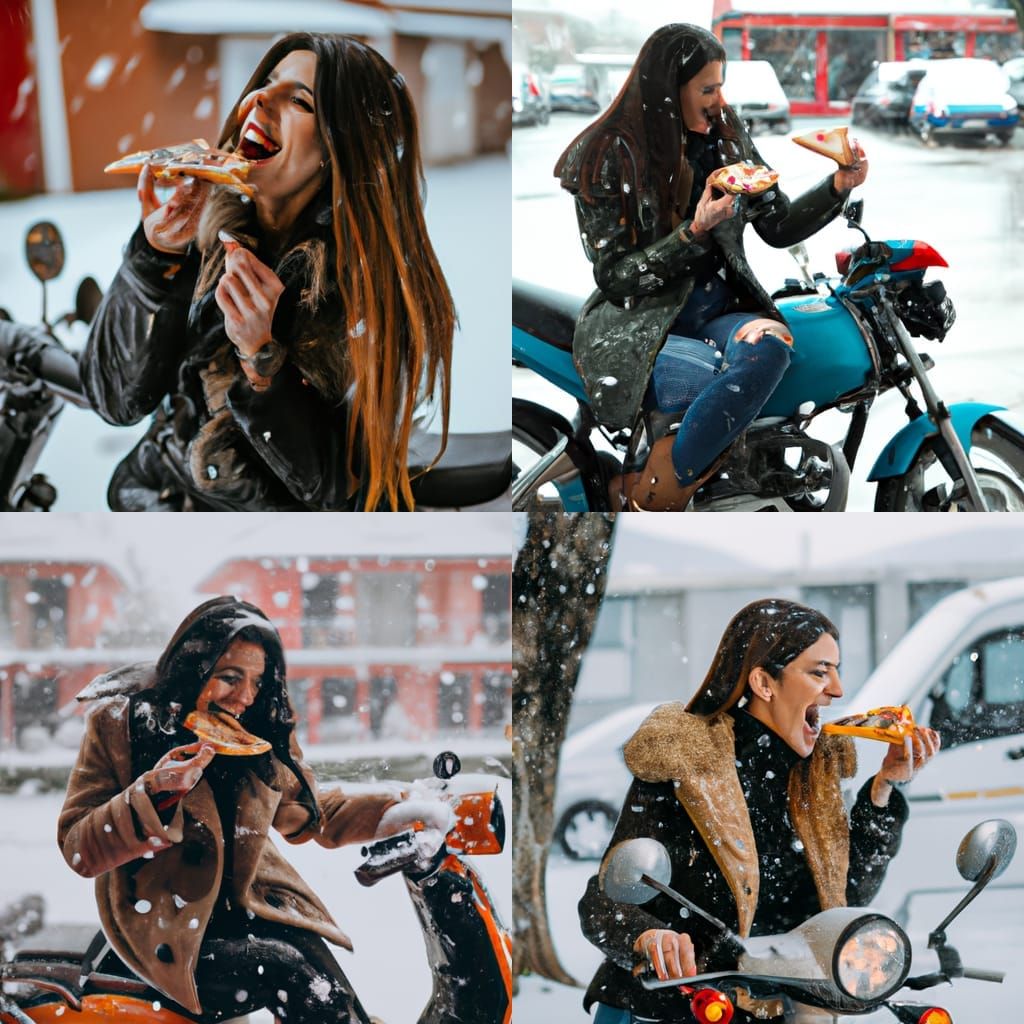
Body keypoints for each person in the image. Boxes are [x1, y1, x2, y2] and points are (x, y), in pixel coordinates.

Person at [82, 33, 455, 511]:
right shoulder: (204, 236)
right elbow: (114, 400)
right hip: (152, 502)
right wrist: (153, 260)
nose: (258, 97)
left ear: (343, 150)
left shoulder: (369, 294)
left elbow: (337, 494)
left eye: (300, 100)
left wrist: (263, 361)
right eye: (268, 83)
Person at [59, 596, 448, 1023]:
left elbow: (313, 813)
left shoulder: (259, 730)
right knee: (292, 974)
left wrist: (402, 811)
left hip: (247, 909)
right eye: (229, 678)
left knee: (332, 990)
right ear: (194, 669)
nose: (245, 696)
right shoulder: (121, 726)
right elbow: (78, 847)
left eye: (257, 682)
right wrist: (156, 793)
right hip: (167, 925)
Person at [579, 598, 941, 1023]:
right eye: (819, 672)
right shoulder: (686, 767)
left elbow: (845, 898)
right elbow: (603, 901)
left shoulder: (814, 778)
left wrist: (885, 787)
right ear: (764, 683)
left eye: (837, 670)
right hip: (670, 1009)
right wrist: (648, 937)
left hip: (784, 1009)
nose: (838, 689)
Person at [555, 25, 868, 510]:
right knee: (711, 381)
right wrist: (693, 232)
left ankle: (703, 475)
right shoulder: (607, 154)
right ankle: (660, 488)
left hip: (719, 313)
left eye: (721, 85)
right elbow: (616, 278)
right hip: (644, 327)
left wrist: (838, 185)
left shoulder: (725, 135)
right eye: (707, 88)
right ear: (668, 91)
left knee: (773, 347)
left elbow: (777, 224)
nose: (720, 100)